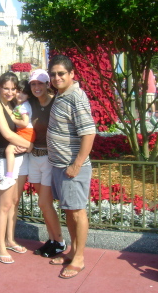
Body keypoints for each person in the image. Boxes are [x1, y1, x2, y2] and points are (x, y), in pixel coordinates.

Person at [46, 55, 95, 279]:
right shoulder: (61, 95)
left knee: (77, 211)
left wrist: (76, 164)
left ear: (72, 74)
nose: (57, 78)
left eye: (61, 74)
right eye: (53, 74)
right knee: (69, 210)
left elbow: (88, 133)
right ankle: (73, 250)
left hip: (71, 166)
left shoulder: (76, 97)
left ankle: (80, 258)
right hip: (60, 165)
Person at [0, 72, 33, 264]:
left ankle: (10, 239)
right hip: (4, 159)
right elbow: (6, 134)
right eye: (6, 88)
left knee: (14, 201)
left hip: (20, 158)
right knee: (4, 205)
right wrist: (29, 145)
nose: (9, 92)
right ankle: (0, 247)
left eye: (13, 89)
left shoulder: (13, 104)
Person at [27, 69, 66, 258]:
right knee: (44, 204)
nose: (37, 87)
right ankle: (51, 240)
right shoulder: (30, 103)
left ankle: (60, 241)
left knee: (44, 202)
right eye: (33, 84)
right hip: (33, 157)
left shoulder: (55, 103)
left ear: (47, 84)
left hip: (49, 158)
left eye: (40, 83)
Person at [1, 79, 36, 190]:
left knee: (9, 150)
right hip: (25, 132)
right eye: (19, 91)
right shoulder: (21, 104)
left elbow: (24, 122)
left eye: (24, 93)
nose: (20, 95)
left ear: (28, 96)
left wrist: (13, 119)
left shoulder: (24, 106)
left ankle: (9, 176)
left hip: (26, 132)